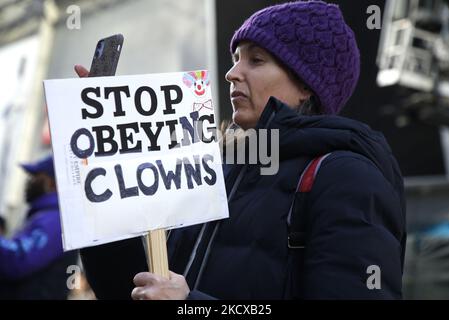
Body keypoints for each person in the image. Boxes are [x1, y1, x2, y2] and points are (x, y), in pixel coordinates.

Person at [75, 0, 406, 299]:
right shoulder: (215, 167)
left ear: (306, 85)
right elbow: (134, 290)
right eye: (235, 59)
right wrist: (102, 162)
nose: (232, 73)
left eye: (256, 60)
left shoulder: (347, 177)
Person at [0, 155, 78, 299]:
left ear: (53, 183)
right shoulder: (47, 215)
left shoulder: (55, 220)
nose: (30, 181)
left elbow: (16, 260)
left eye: (36, 176)